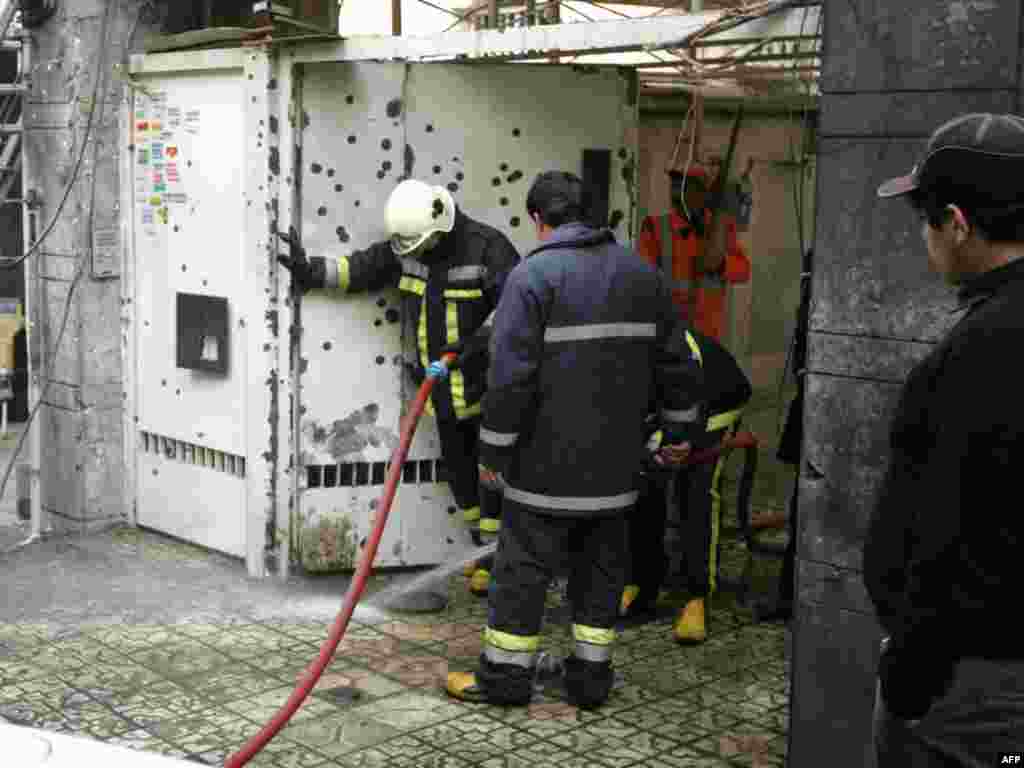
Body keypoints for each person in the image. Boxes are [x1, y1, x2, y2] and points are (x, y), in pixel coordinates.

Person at [445, 171, 705, 708]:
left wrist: (493, 454)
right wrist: (678, 433)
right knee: (602, 574)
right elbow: (679, 365)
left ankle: (504, 680)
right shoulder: (643, 275)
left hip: (543, 473)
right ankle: (589, 682)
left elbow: (509, 379)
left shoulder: (533, 278)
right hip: (617, 472)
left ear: (538, 219)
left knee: (521, 575)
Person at [864, 112, 1024, 764]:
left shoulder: (983, 351)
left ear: (957, 224)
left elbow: (945, 531)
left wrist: (911, 672)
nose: (923, 238)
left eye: (924, 219)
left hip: (970, 686)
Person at [276, 179, 520, 597]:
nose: (414, 255)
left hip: (489, 390)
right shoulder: (410, 247)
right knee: (462, 478)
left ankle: (504, 561)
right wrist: (309, 269)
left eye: (419, 247)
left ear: (440, 227)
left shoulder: (489, 250)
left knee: (494, 475)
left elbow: (516, 313)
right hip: (442, 394)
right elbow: (361, 268)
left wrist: (473, 346)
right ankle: (485, 552)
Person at [621, 329, 752, 644]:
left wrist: (680, 439)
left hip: (714, 399)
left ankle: (697, 596)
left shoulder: (667, 338)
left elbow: (688, 387)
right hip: (665, 406)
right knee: (644, 485)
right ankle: (642, 580)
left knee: (697, 492)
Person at [754, 247, 813, 624]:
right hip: (808, 402)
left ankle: (795, 599)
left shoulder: (819, 297)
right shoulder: (811, 295)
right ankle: (790, 598)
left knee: (806, 509)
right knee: (801, 507)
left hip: (818, 405)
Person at [637, 165, 752, 341]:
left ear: (701, 191)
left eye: (683, 184)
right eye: (674, 184)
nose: (676, 191)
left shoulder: (721, 228)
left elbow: (744, 271)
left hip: (708, 338)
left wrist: (721, 264)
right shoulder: (655, 228)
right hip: (669, 337)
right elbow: (642, 283)